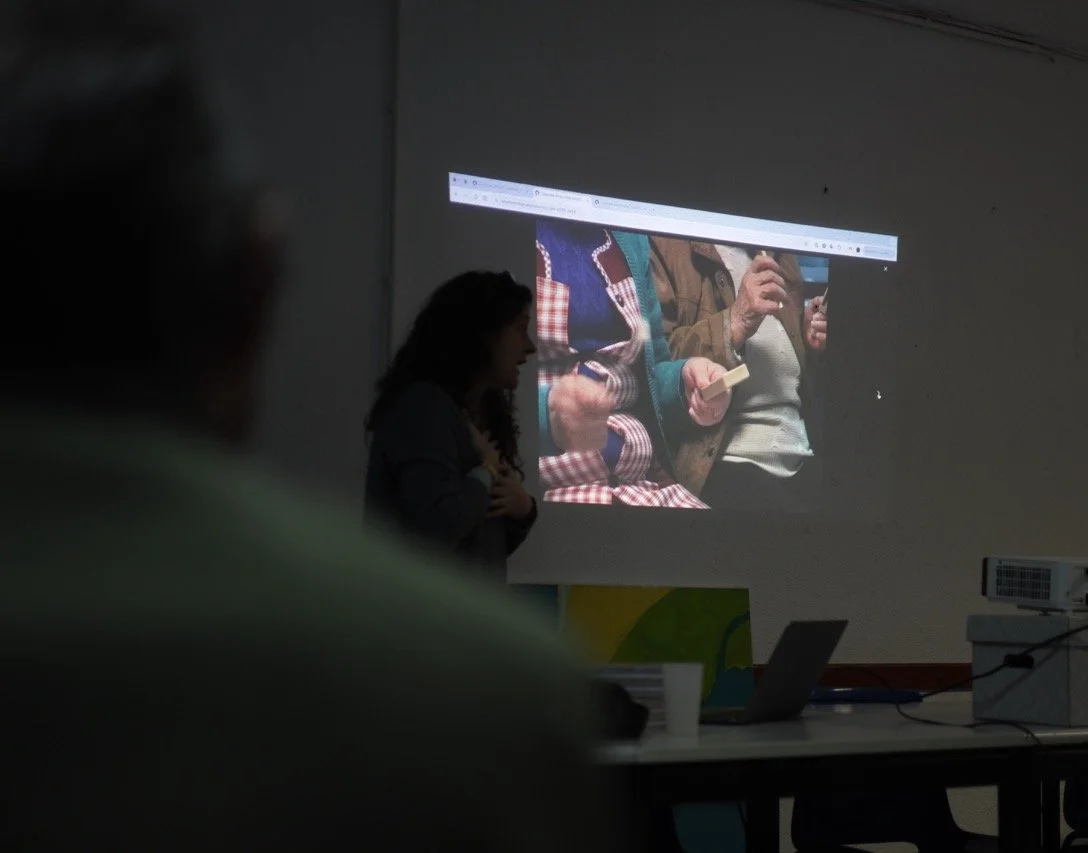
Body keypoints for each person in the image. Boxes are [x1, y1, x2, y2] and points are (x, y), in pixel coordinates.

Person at [0, 2, 616, 851]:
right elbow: (433, 524)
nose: (532, 348)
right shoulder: (495, 686)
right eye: (519, 333)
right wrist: (483, 483)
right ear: (258, 285)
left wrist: (521, 504)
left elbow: (479, 532)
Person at [535, 220, 731, 507]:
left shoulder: (630, 238)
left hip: (641, 485)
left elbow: (651, 375)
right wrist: (547, 415)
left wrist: (683, 382)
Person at [364, 271, 539, 579]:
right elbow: (437, 529)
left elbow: (478, 545)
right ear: (483, 334)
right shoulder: (423, 408)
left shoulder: (475, 414)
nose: (530, 347)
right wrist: (486, 471)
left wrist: (524, 510)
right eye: (520, 329)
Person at [651, 237, 828, 511]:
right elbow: (654, 367)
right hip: (724, 463)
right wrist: (735, 320)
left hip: (802, 457)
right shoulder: (668, 244)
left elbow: (787, 379)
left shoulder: (781, 254)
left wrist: (807, 342)